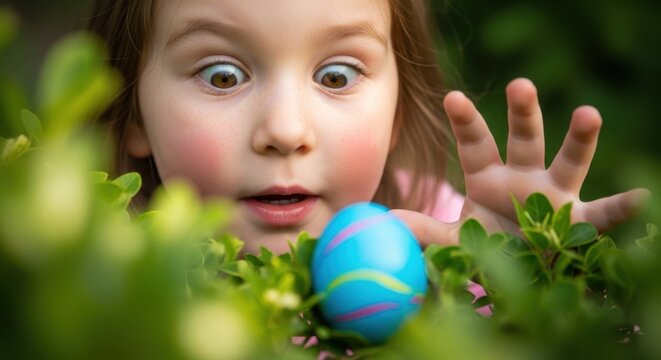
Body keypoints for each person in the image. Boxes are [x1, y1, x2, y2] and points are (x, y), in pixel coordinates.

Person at [87, 0, 649, 255]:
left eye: (335, 76)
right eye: (223, 75)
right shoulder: (99, 273)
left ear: (397, 110)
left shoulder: (447, 233)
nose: (285, 130)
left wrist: (518, 276)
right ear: (132, 110)